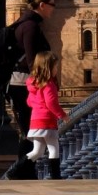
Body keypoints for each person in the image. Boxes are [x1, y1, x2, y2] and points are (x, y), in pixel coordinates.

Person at [3, 0, 57, 180]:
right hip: (23, 86)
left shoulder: (25, 23)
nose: (53, 9)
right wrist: (47, 87)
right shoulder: (30, 27)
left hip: (21, 85)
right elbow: (34, 61)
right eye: (52, 4)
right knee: (32, 131)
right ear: (42, 5)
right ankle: (19, 171)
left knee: (31, 131)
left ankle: (25, 173)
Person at [25, 51, 68, 179]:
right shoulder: (49, 85)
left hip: (35, 121)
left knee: (37, 152)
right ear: (48, 68)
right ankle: (56, 176)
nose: (56, 70)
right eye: (55, 67)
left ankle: (15, 170)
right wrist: (63, 115)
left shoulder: (34, 84)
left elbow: (29, 102)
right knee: (54, 148)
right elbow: (51, 103)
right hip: (47, 121)